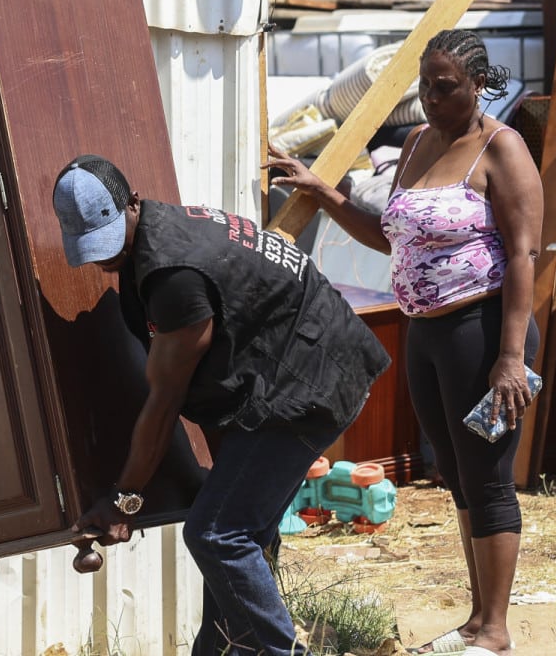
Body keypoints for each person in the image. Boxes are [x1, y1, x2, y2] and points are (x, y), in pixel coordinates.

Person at [266, 29, 543, 656]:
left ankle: (496, 631)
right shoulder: (416, 143)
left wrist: (510, 358)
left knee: (490, 476)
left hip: (484, 332)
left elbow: (524, 254)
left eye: (444, 88)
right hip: (427, 333)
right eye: (425, 86)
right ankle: (475, 622)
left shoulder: (502, 149)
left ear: (477, 85)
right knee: (455, 473)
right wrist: (321, 192)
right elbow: (390, 236)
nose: (432, 99)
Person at [54, 154, 391, 656]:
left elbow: (166, 400)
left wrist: (126, 499)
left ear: (132, 203)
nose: (100, 259)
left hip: (309, 385)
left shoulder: (174, 277)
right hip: (306, 370)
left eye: (104, 238)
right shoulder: (161, 232)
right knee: (239, 530)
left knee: (216, 534)